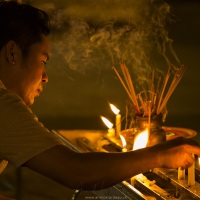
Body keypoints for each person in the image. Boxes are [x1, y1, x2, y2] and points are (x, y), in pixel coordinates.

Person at [0, 0, 200, 197]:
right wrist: (159, 155)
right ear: (12, 53)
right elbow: (77, 171)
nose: (45, 77)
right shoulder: (3, 106)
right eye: (42, 61)